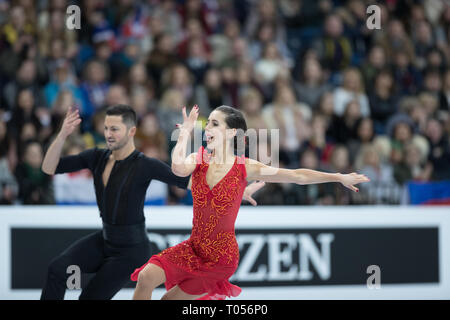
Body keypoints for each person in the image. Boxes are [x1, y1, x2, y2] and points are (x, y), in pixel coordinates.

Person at [131, 104, 370, 300]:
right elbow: (177, 168)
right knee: (146, 277)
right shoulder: (198, 158)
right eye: (208, 123)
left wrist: (337, 177)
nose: (208, 128)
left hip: (220, 259)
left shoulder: (245, 167)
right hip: (194, 247)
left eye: (215, 124)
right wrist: (184, 133)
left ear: (232, 133)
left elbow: (296, 176)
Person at [40, 104, 262, 300]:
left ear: (131, 131)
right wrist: (62, 136)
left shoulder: (145, 164)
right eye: (106, 128)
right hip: (105, 239)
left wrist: (237, 191)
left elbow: (195, 184)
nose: (108, 134)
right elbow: (50, 168)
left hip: (130, 249)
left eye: (115, 129)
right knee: (57, 268)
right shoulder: (95, 157)